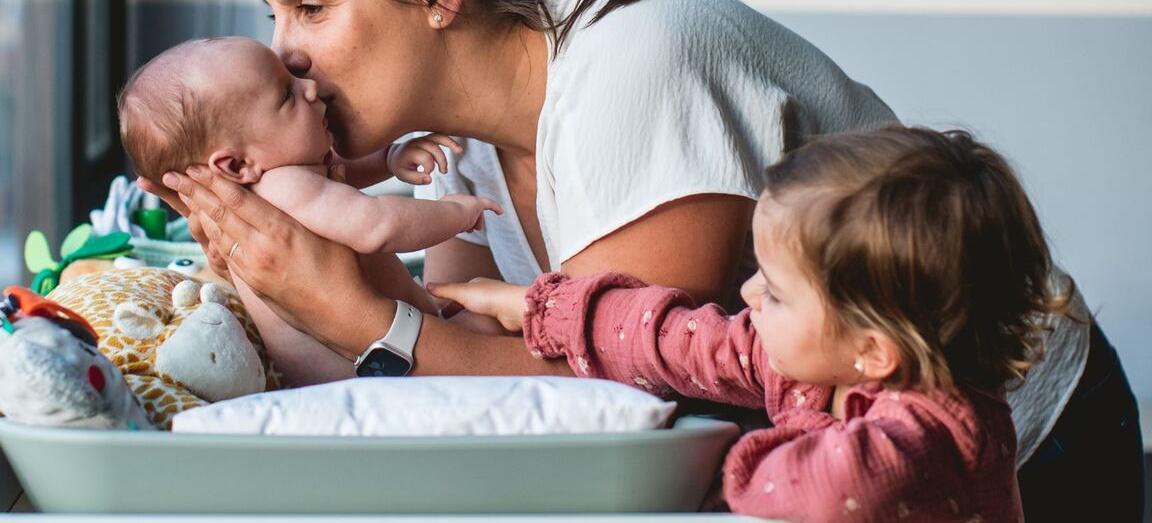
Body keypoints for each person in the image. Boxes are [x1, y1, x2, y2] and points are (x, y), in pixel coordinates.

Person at [147, 0, 1141, 516]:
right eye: (272, 13)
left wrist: (344, 308)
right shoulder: (455, 143)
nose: (282, 49)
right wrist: (281, 277)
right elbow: (455, 354)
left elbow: (595, 373)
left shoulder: (641, 65)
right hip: (823, 450)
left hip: (1002, 442)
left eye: (310, 8)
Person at [431, 127, 1073, 520]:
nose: (747, 294)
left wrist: (696, 464)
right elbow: (678, 342)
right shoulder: (818, 358)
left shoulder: (931, 439)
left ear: (875, 350)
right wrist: (540, 307)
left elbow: (823, 490)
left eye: (776, 290)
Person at [118, 35, 501, 381]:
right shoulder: (285, 186)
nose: (311, 87)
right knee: (496, 320)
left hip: (374, 350)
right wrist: (456, 212)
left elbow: (336, 172)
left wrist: (389, 158)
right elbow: (378, 226)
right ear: (236, 166)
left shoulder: (270, 187)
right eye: (287, 95)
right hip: (358, 376)